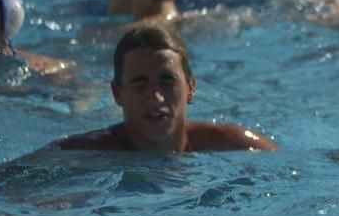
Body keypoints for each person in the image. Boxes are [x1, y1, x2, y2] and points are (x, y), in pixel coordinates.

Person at [56, 24, 277, 152]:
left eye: (167, 81)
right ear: (117, 93)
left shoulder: (233, 144)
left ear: (190, 88)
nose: (156, 96)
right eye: (140, 83)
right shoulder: (84, 152)